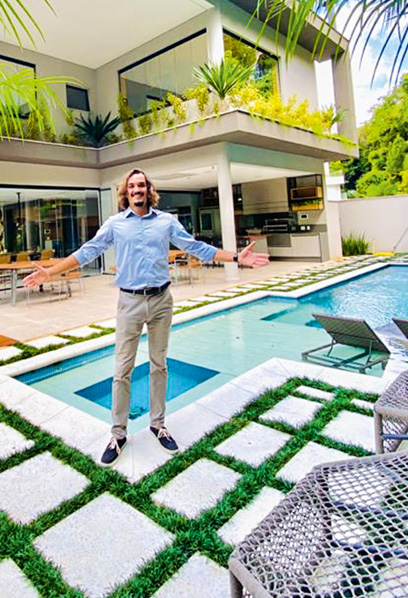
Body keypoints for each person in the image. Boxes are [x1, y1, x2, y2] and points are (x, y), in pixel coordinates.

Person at [23, 167, 270, 466]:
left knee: (159, 365)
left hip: (161, 300)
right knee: (122, 369)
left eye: (141, 185)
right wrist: (50, 272)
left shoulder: (167, 222)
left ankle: (158, 424)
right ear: (125, 193)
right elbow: (87, 252)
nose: (137, 190)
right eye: (132, 186)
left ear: (148, 190)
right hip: (129, 302)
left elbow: (195, 247)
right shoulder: (115, 224)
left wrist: (235, 257)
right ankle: (118, 433)